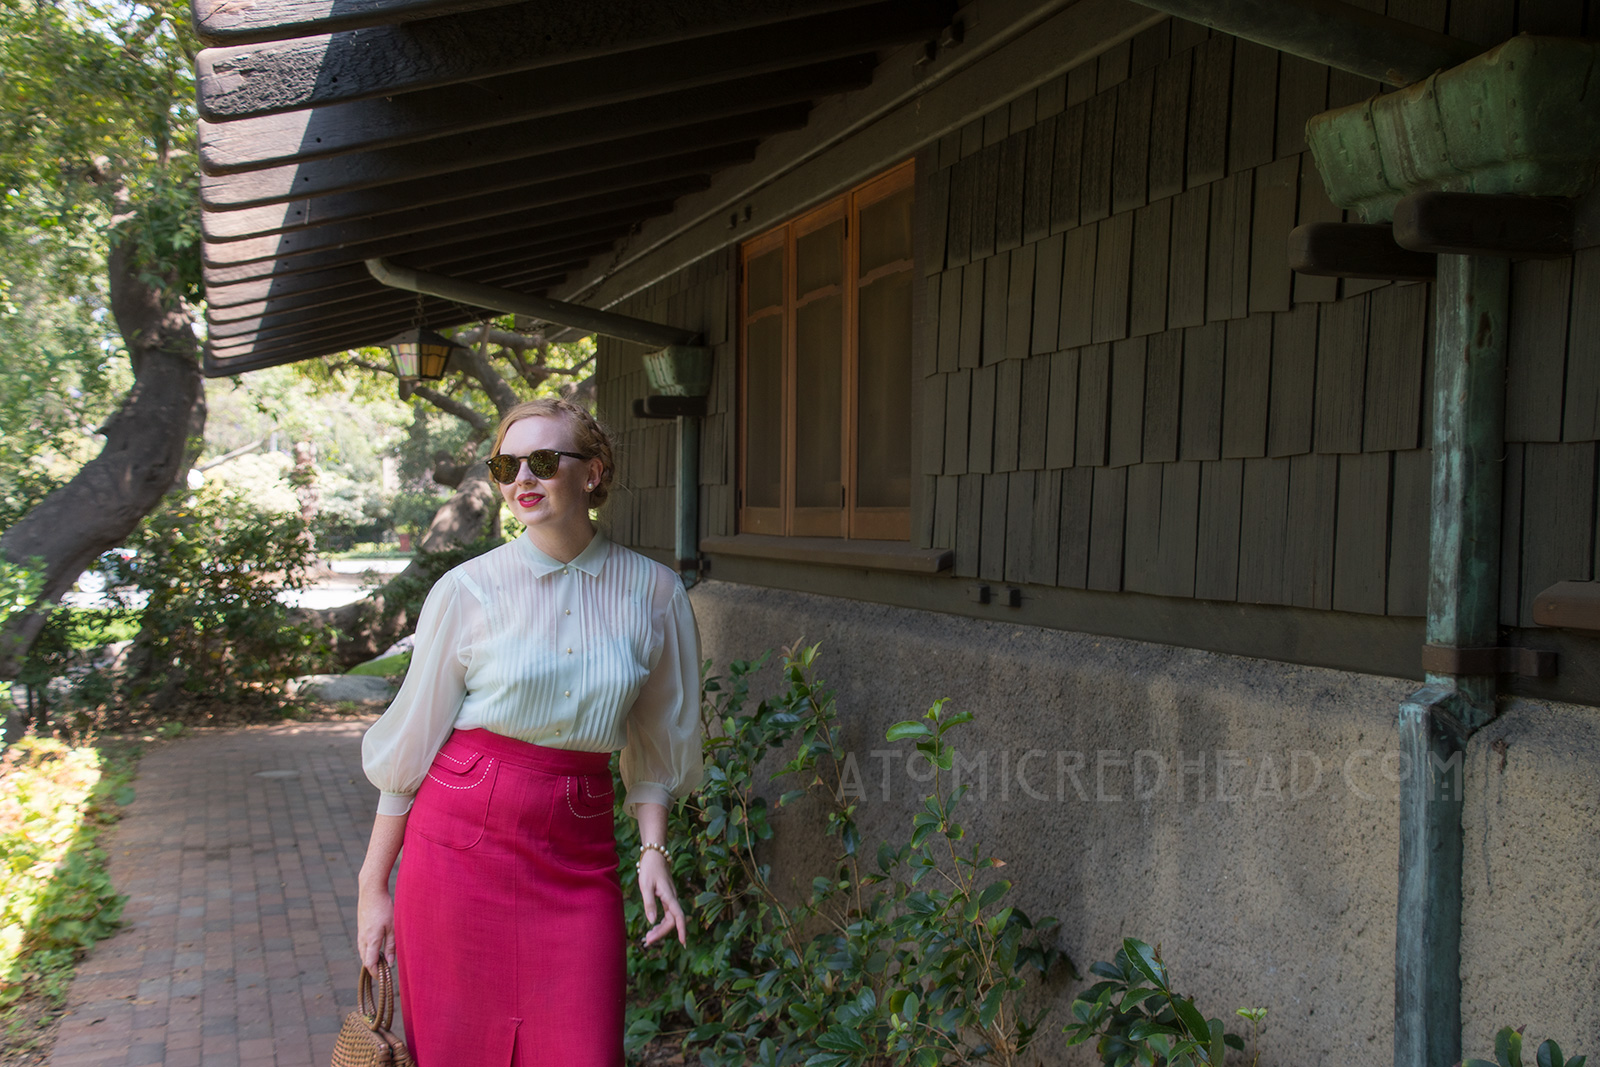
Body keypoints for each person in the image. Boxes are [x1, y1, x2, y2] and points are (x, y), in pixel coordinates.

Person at [355, 396, 702, 1066]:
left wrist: (652, 849)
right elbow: (410, 747)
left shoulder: (655, 592)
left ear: (594, 472)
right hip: (457, 844)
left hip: (577, 848)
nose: (523, 478)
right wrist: (373, 887)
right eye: (506, 465)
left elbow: (655, 742)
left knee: (584, 1047)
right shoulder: (467, 590)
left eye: (543, 460)